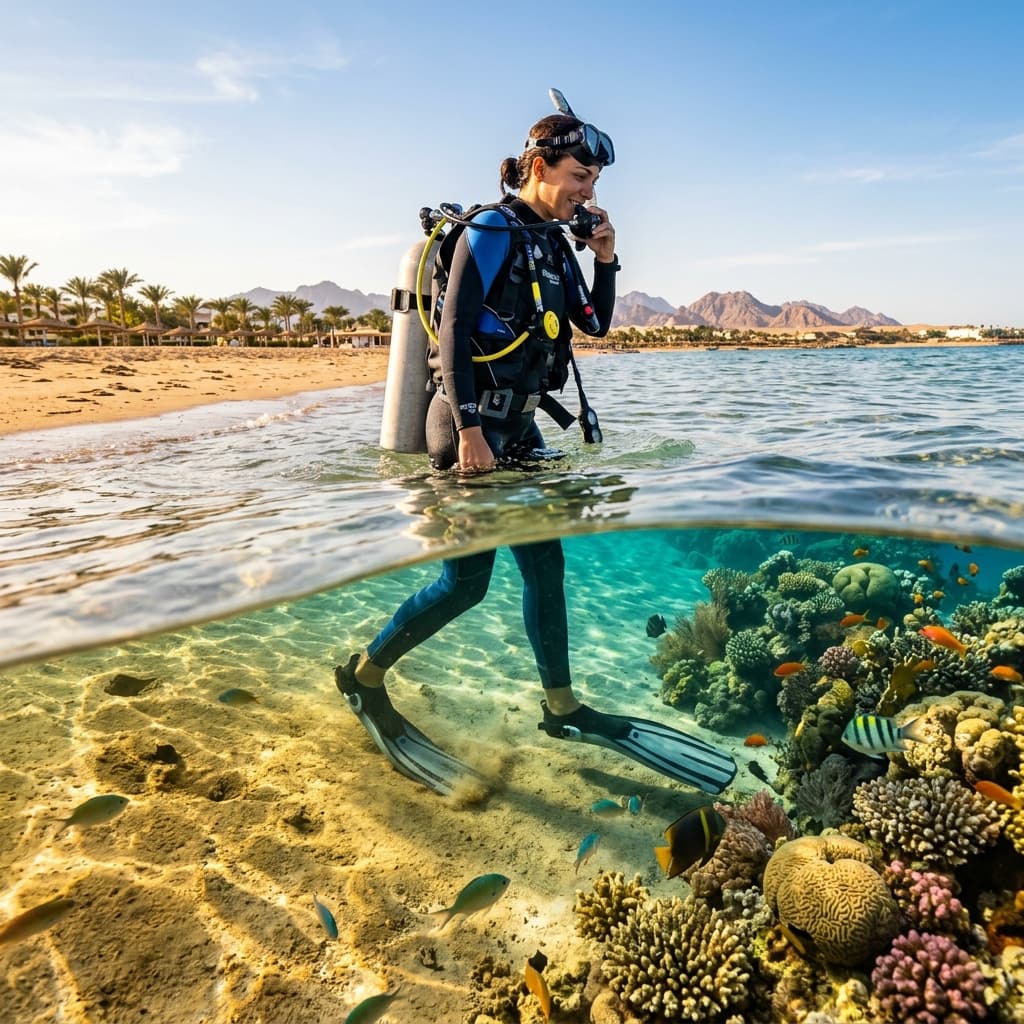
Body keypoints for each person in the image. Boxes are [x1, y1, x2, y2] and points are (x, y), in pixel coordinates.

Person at [335, 93, 736, 797]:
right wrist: (466, 432)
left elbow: (595, 322)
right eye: (581, 175)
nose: (589, 190)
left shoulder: (553, 243)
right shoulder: (491, 228)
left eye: (595, 181)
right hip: (469, 426)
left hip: (519, 428)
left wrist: (606, 257)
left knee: (545, 566)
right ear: (539, 166)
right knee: (467, 583)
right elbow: (455, 329)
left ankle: (562, 708)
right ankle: (363, 677)